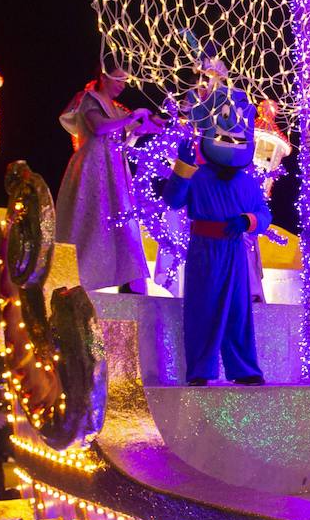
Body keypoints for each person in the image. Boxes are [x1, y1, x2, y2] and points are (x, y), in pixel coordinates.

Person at [162, 66, 272, 386]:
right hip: (204, 251)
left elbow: (263, 215)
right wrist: (182, 167)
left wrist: (248, 221)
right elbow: (173, 200)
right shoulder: (198, 174)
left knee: (239, 311)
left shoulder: (247, 182)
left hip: (234, 251)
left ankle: (244, 369)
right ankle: (200, 369)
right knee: (203, 308)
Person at [56, 66, 153, 293]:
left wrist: (147, 125)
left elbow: (126, 135)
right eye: (118, 79)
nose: (122, 85)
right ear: (104, 76)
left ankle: (127, 280)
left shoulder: (115, 108)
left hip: (115, 171)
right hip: (94, 168)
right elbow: (99, 128)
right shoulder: (90, 98)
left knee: (120, 221)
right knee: (91, 220)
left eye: (124, 81)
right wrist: (131, 118)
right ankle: (79, 280)